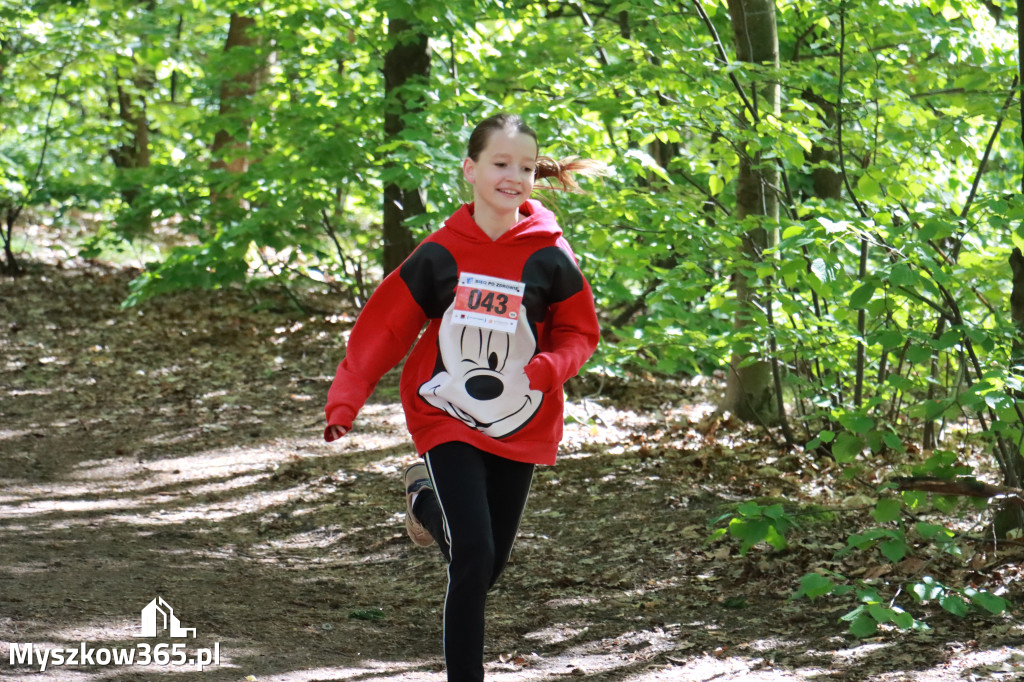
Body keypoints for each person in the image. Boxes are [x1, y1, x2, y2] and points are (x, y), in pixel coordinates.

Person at [323, 113, 603, 681]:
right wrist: (346, 399)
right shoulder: (441, 252)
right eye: (501, 164)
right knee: (472, 557)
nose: (514, 176)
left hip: (520, 419)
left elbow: (581, 332)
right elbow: (386, 328)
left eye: (525, 167)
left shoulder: (550, 254)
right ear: (471, 170)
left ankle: (423, 502)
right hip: (443, 412)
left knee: (487, 565)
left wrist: (551, 366)